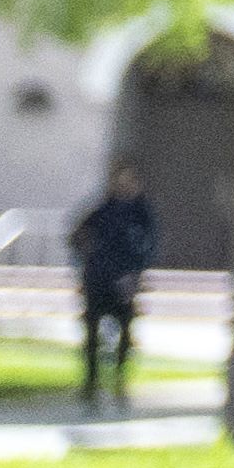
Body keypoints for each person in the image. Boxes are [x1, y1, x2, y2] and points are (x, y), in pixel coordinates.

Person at [70, 163, 163, 411]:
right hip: (98, 280)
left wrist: (134, 274)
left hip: (125, 283)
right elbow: (77, 237)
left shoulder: (142, 215)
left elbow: (148, 247)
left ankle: (120, 380)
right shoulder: (102, 211)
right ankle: (91, 382)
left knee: (124, 333)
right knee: (92, 334)